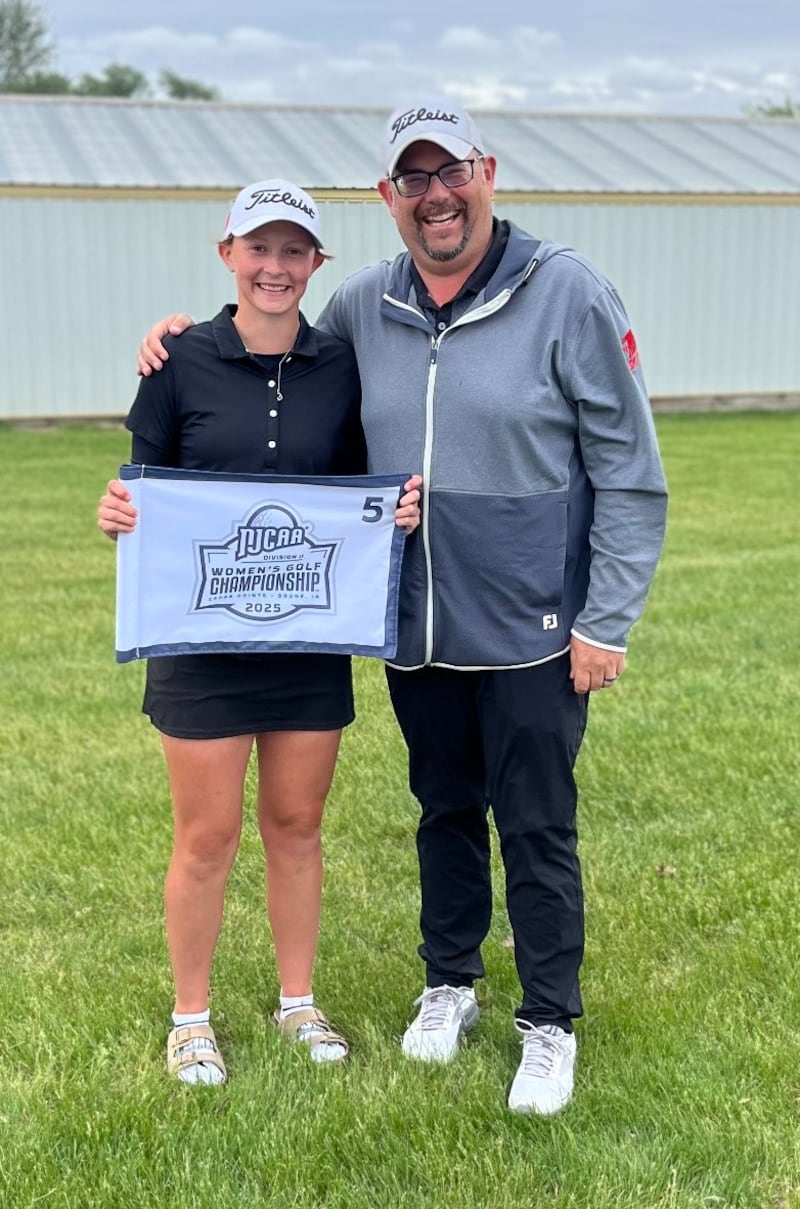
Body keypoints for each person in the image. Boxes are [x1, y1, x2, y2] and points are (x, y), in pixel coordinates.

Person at [136, 98, 668, 1114]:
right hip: (415, 627)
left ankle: (547, 1021)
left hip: (532, 630)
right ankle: (449, 984)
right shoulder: (362, 311)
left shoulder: (565, 294)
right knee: (443, 813)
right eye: (412, 179)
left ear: (486, 173)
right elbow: (268, 348)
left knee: (537, 826)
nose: (435, 195)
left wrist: (606, 619)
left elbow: (629, 473)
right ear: (388, 197)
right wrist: (176, 337)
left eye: (449, 172)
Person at [98, 178, 421, 1085]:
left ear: (315, 263)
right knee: (206, 837)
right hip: (200, 649)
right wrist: (119, 510)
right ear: (227, 254)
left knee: (297, 825)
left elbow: (361, 486)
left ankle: (297, 1002)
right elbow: (145, 489)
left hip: (306, 642)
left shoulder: (342, 365)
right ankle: (189, 1015)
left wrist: (390, 512)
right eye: (259, 248)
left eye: (293, 251)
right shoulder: (178, 361)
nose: (274, 267)